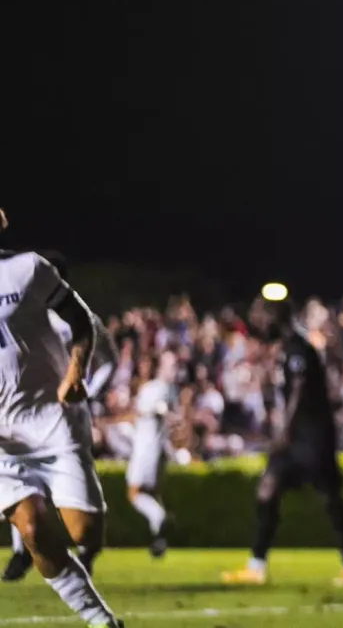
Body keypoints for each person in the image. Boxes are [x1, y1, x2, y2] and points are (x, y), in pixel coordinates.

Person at [0, 210, 123, 627]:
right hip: (3, 439)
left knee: (86, 534)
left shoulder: (28, 268)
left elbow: (82, 322)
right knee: (33, 529)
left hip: (54, 422)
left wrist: (75, 372)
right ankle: (101, 621)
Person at [221, 294, 343, 587]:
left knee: (330, 499)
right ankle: (256, 566)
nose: (259, 322)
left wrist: (284, 427)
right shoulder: (285, 348)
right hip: (295, 435)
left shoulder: (298, 347)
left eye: (264, 315)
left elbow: (298, 389)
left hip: (312, 435)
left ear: (277, 317)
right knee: (267, 489)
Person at [124, 349, 179, 558]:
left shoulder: (156, 388)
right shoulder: (169, 389)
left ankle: (160, 518)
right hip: (158, 448)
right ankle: (159, 540)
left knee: (134, 494)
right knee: (153, 494)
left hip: (146, 448)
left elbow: (158, 409)